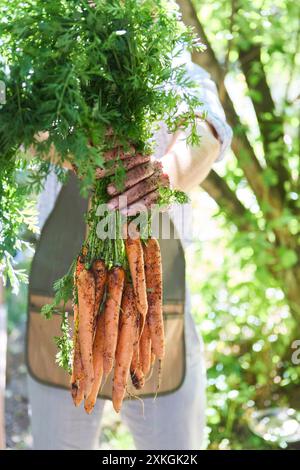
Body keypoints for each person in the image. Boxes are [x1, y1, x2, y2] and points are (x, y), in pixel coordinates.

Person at [26, 54, 232, 450]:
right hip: (61, 312)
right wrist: (70, 146)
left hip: (157, 310)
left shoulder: (179, 69)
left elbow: (207, 133)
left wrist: (166, 175)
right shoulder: (55, 71)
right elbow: (21, 125)